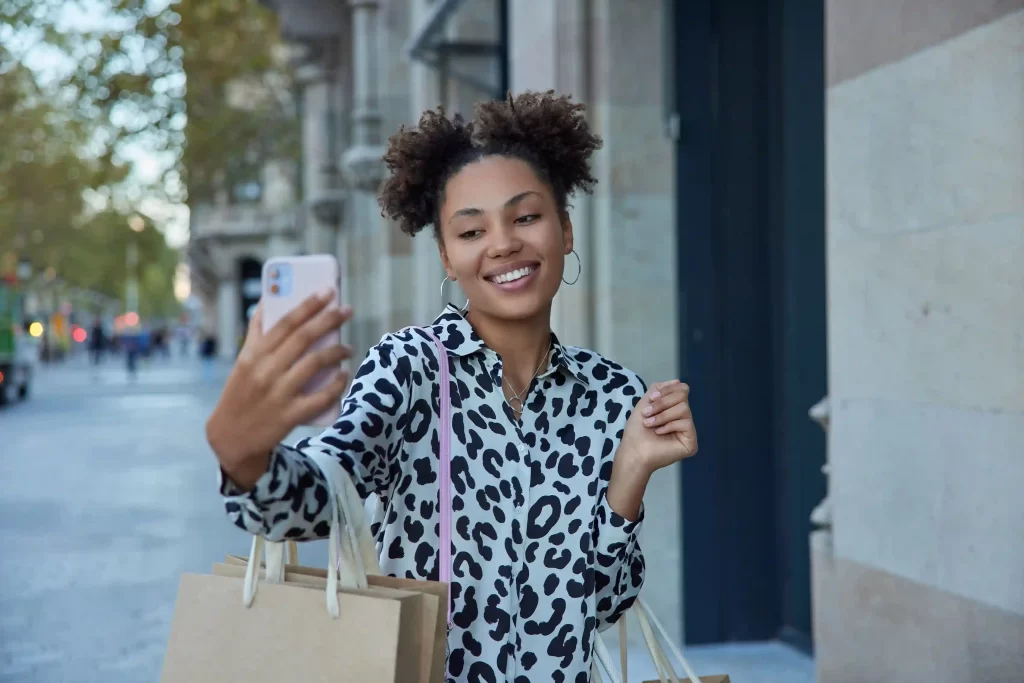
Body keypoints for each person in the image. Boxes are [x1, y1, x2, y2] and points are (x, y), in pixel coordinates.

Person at [206, 91, 699, 682]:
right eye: (471, 231)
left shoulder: (611, 392)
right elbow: (319, 496)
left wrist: (631, 476)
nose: (503, 244)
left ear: (565, 230)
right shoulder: (409, 367)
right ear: (446, 255)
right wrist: (244, 455)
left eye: (526, 217)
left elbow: (603, 602)